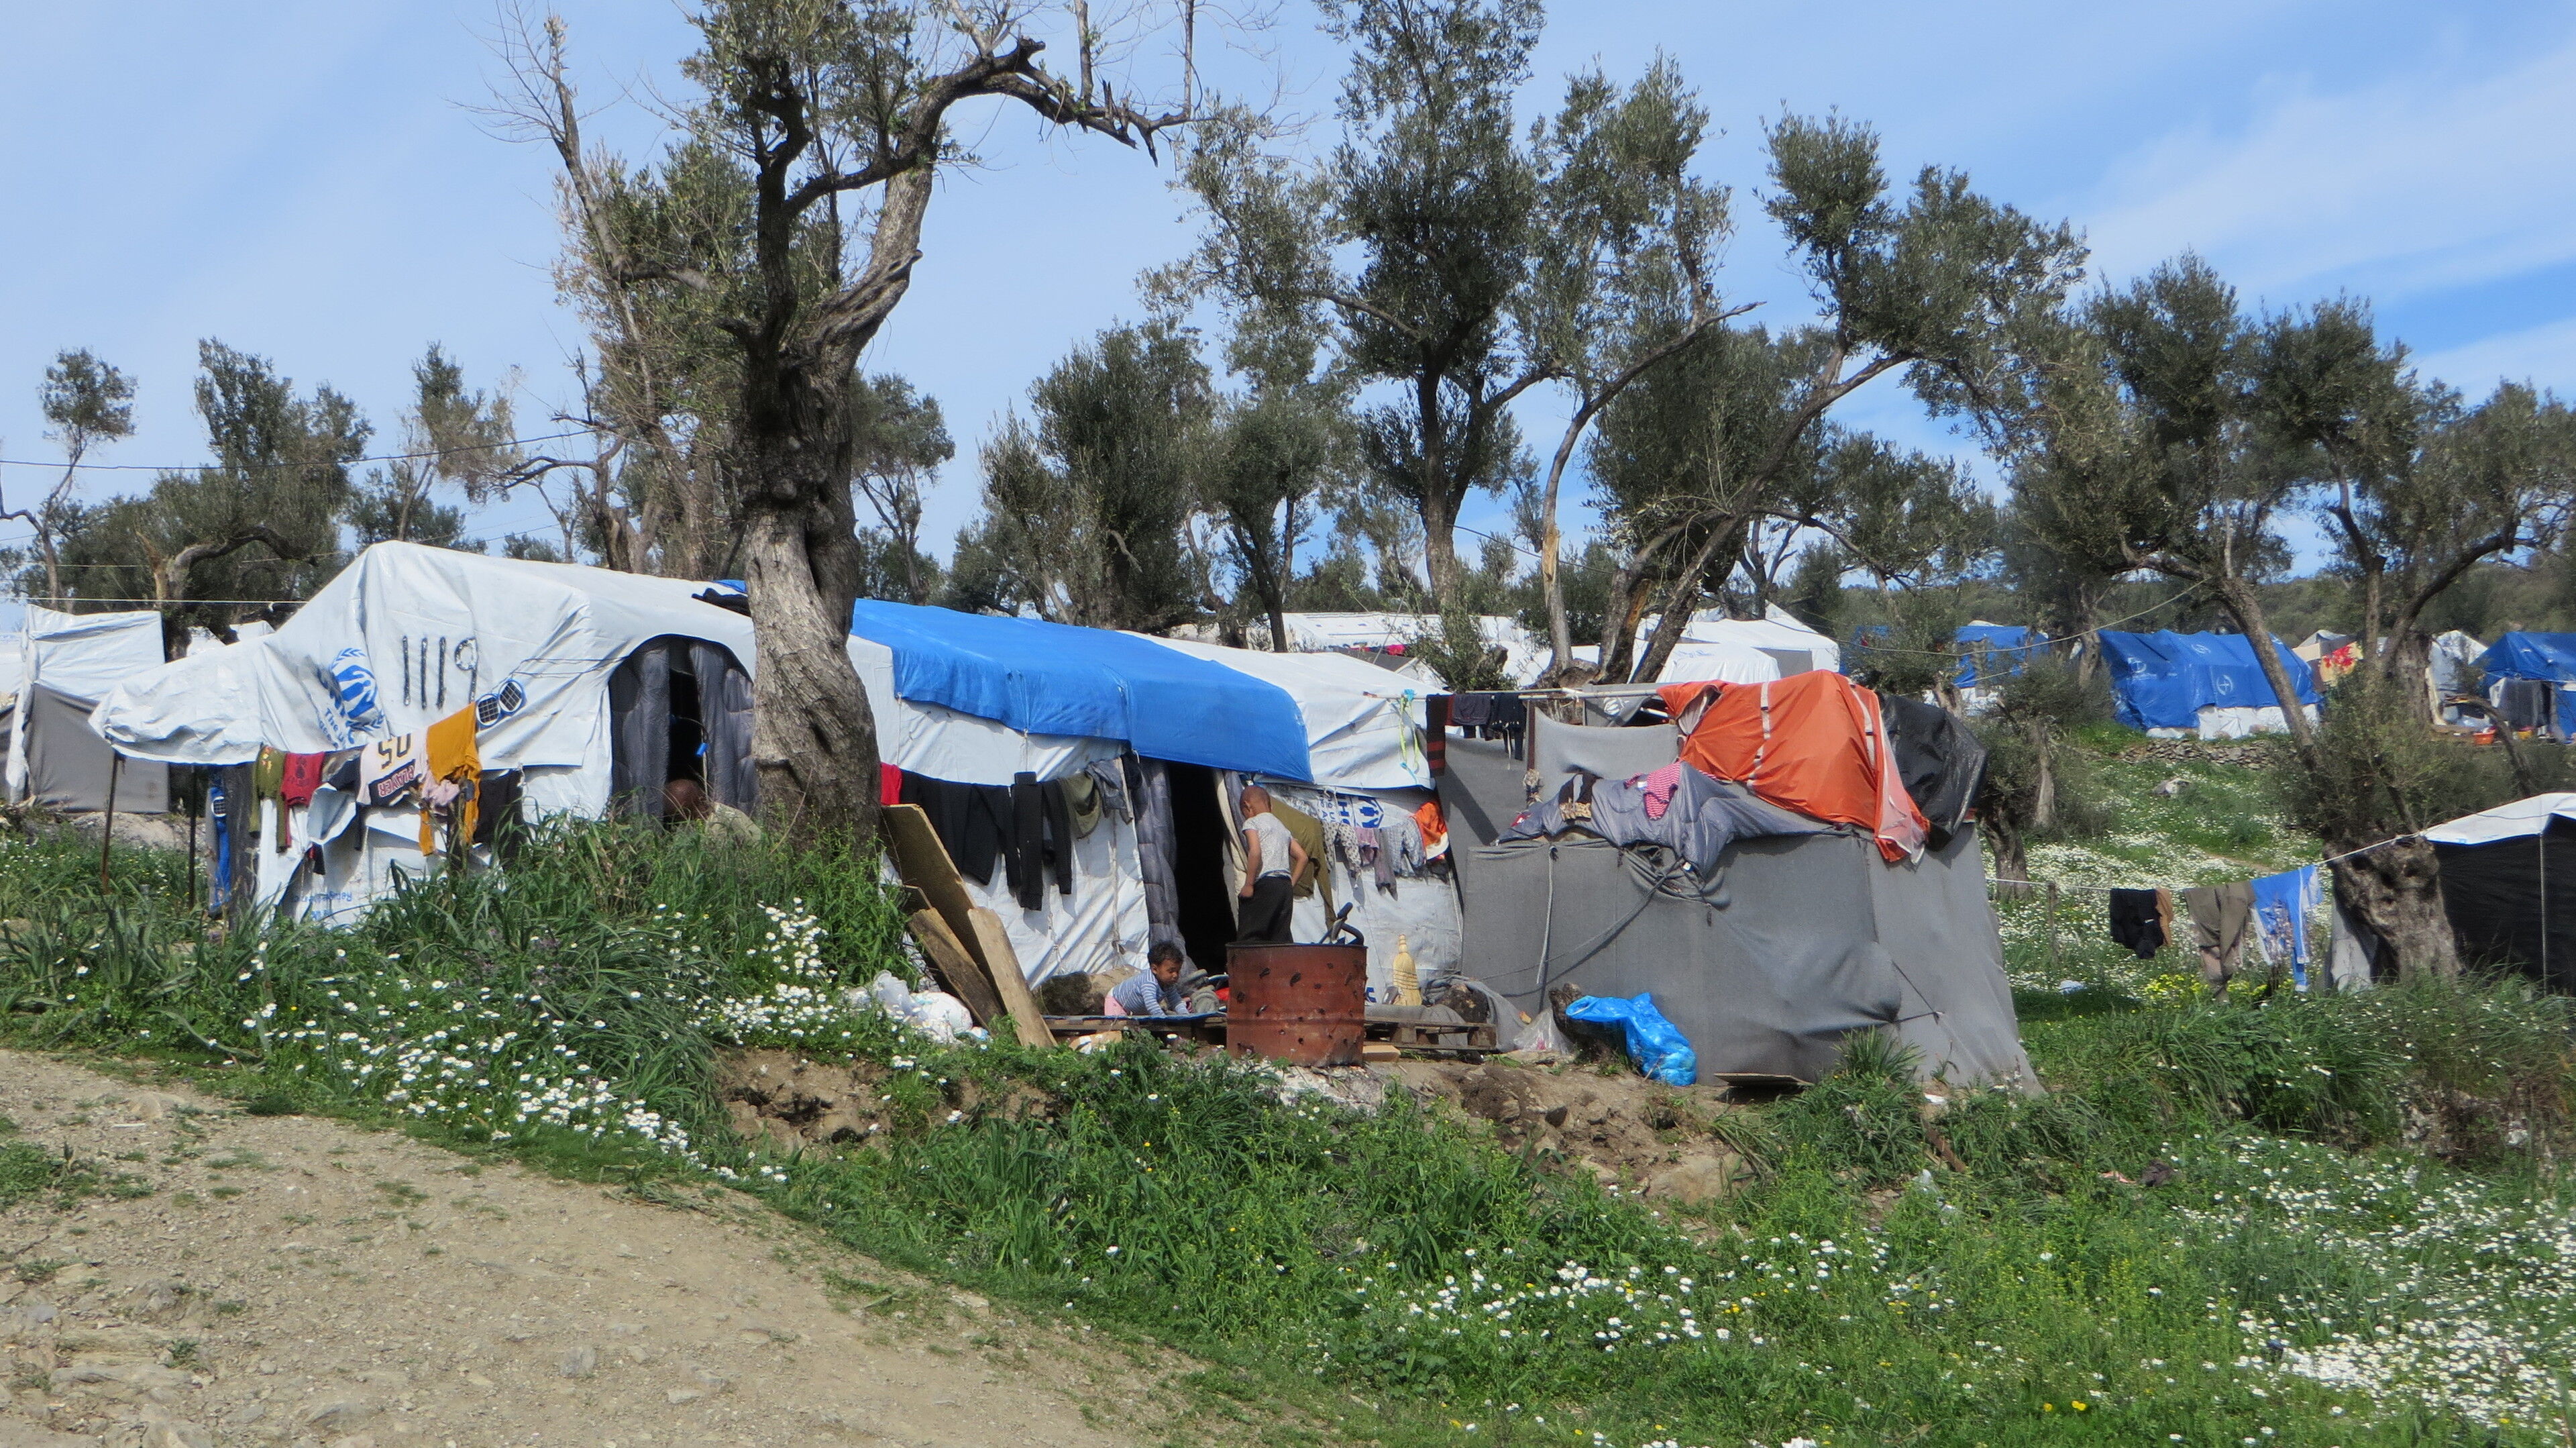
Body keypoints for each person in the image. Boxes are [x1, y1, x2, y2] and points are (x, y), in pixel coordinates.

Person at [1236, 784, 1306, 943]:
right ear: (1271, 806)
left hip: (1267, 883)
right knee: (1280, 936)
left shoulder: (1252, 823)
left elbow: (1255, 852)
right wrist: (1290, 884)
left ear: (1247, 806)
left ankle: (1250, 958)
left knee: (1252, 933)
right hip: (1284, 886)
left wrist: (1249, 884)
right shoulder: (1282, 828)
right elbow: (1303, 857)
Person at [664, 777, 761, 846]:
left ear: (702, 801)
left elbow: (720, 860)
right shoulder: (688, 826)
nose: (685, 821)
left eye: (687, 813)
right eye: (679, 817)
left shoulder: (723, 820)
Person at [1105, 941, 1189, 1017]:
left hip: (1136, 1010)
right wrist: (1164, 1019)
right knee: (1117, 1026)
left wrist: (1185, 1015)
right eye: (1171, 971)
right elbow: (1151, 1005)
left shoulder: (1168, 984)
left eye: (1178, 971)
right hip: (1117, 1002)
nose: (1175, 975)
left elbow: (1176, 1001)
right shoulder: (1148, 982)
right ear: (1155, 969)